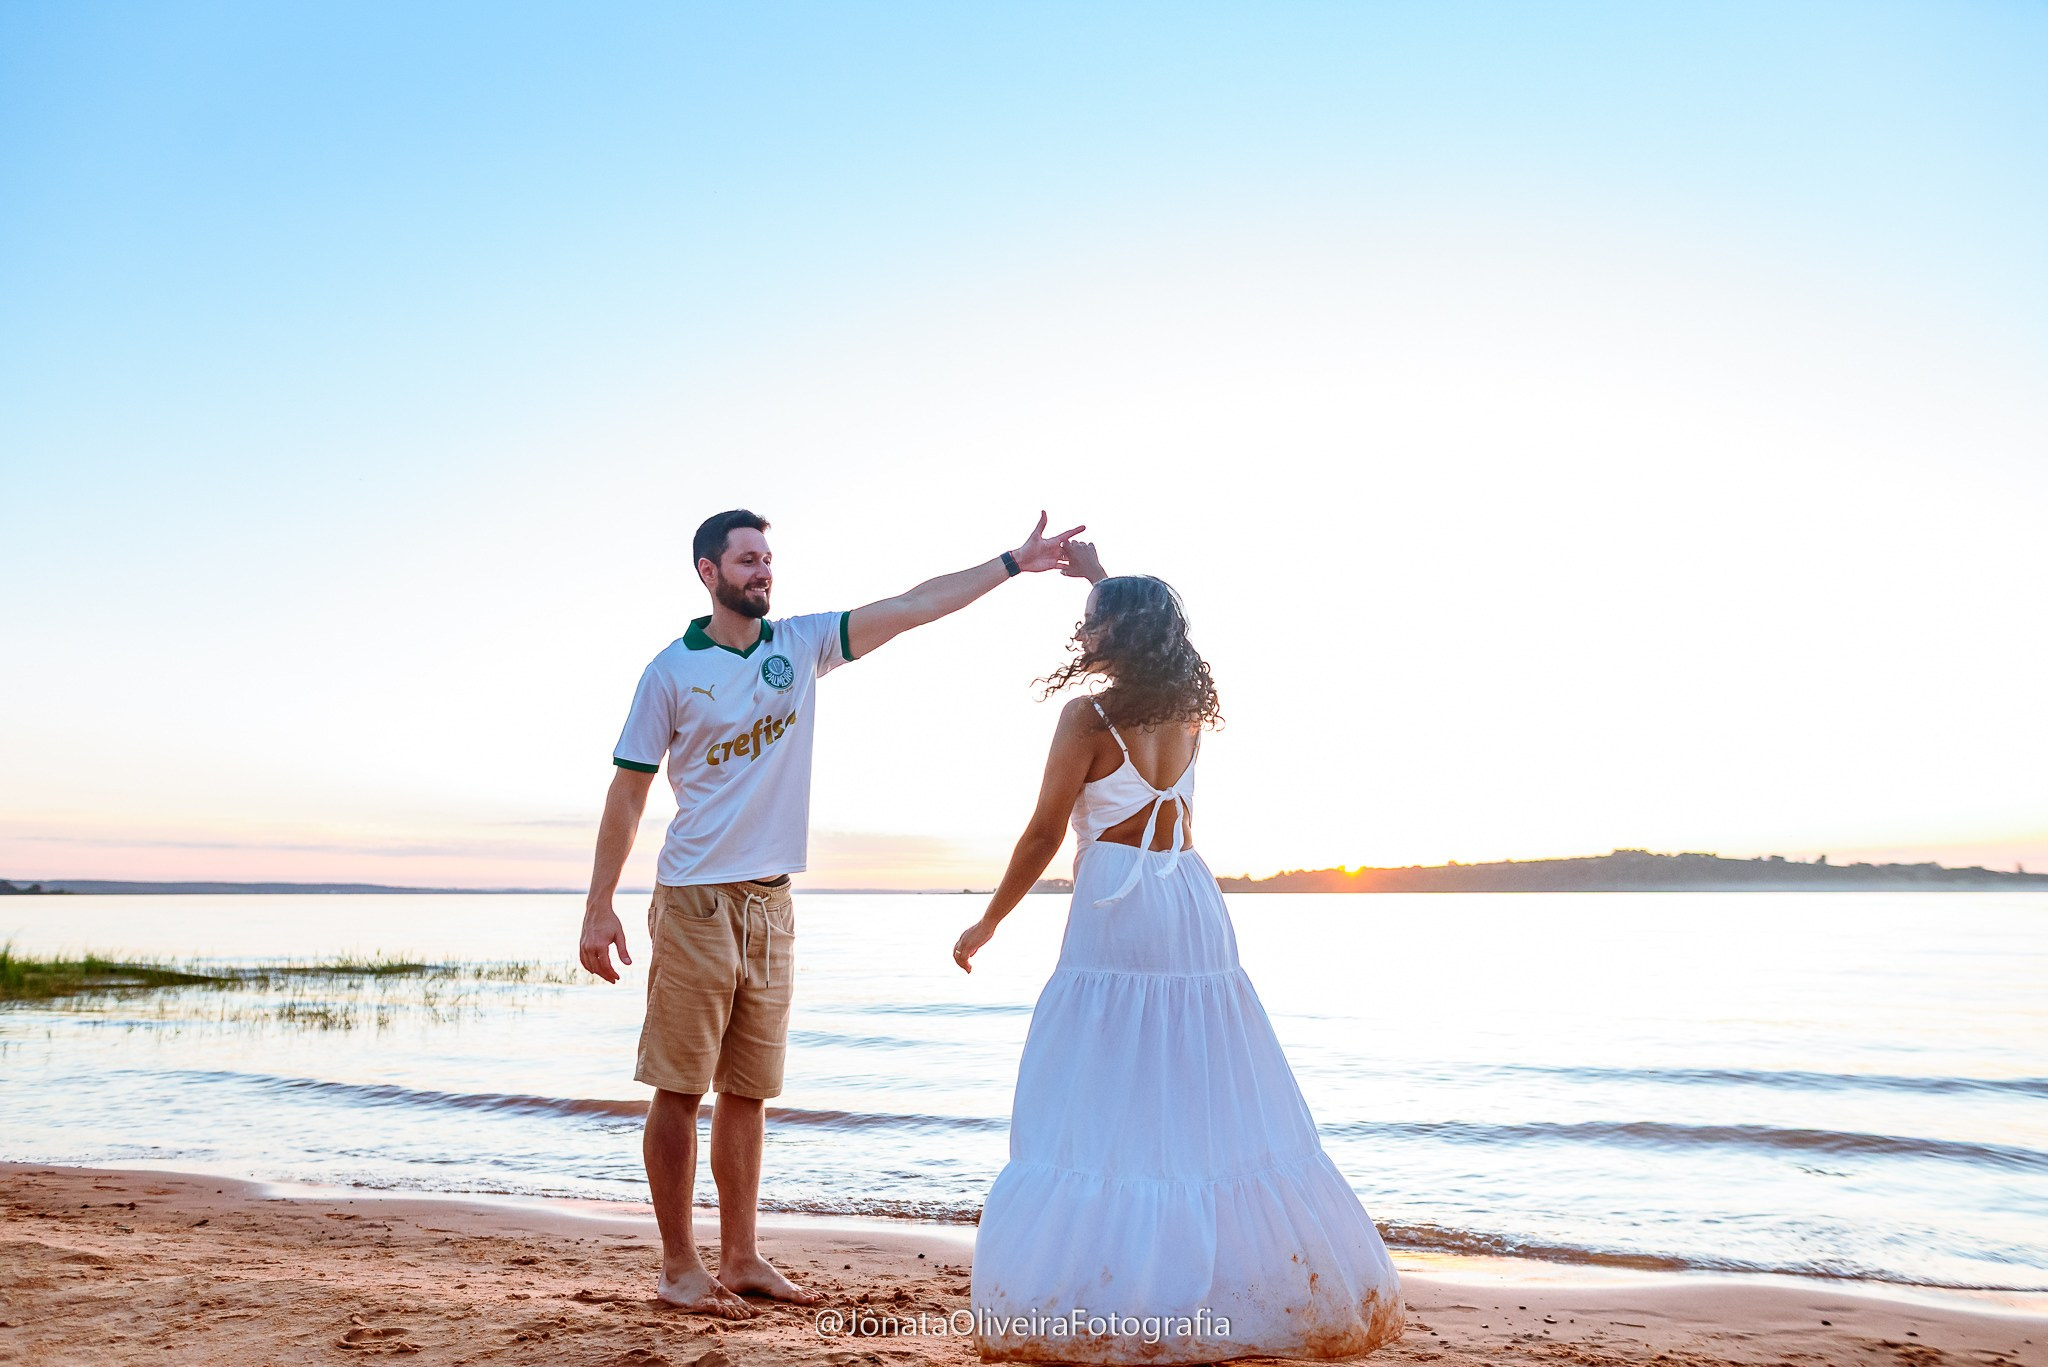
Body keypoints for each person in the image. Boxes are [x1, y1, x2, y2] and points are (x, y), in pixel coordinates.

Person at [580, 507, 1086, 1318]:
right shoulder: (670, 671)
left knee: (749, 1093)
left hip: (774, 905)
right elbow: (629, 790)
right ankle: (680, 1265)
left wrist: (1012, 563)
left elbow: (917, 604)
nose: (763, 571)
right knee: (679, 1088)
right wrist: (598, 905)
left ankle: (740, 1257)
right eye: (747, 560)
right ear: (709, 573)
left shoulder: (800, 646)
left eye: (768, 558)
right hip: (697, 902)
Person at [952, 572, 1405, 1362]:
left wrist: (988, 919)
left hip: (1118, 911)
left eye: (1092, 621)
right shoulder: (1190, 711)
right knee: (1198, 1091)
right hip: (1190, 900)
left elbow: (1042, 834)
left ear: (1112, 633)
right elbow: (1146, 618)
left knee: (1102, 1091)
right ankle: (1215, 1276)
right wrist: (1104, 575)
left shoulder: (1088, 716)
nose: (1083, 633)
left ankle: (1121, 1281)